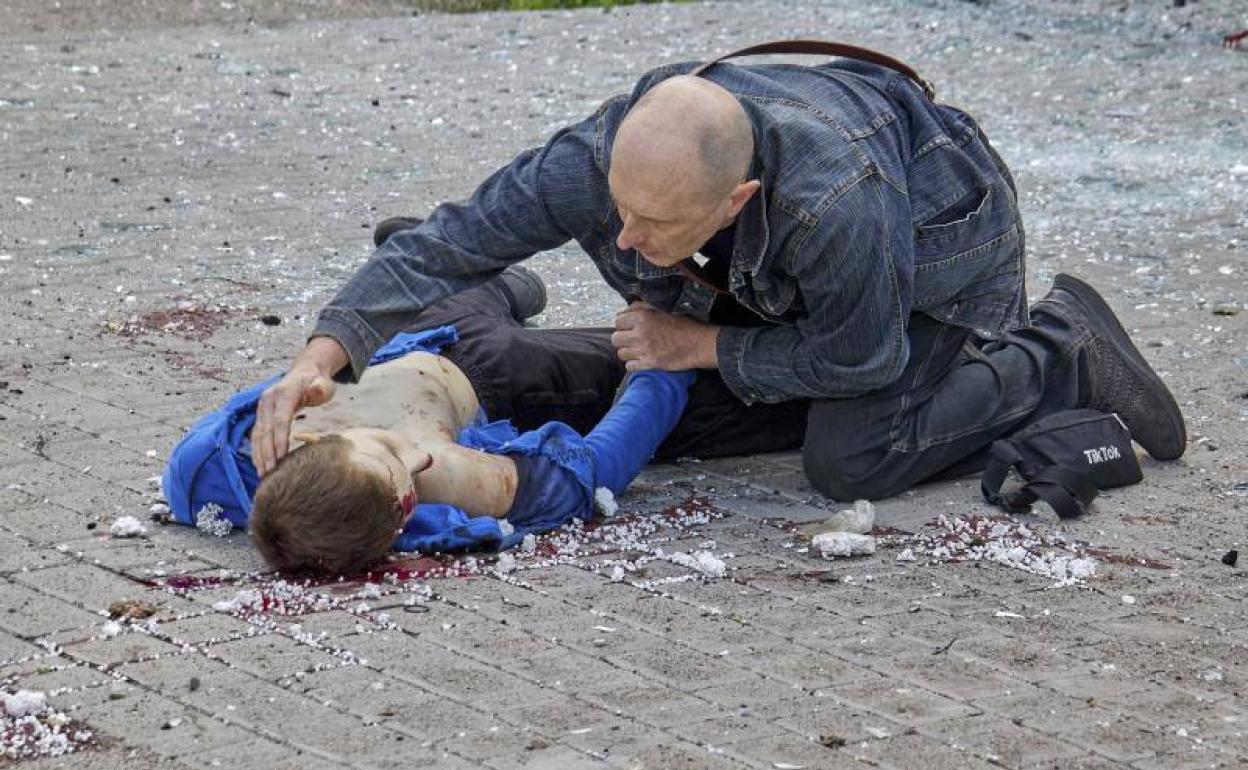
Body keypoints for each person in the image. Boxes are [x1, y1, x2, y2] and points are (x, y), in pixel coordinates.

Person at [251, 50, 1186, 500]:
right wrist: (319, 356)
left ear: (736, 200)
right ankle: (728, 354)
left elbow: (862, 356)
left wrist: (698, 345)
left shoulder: (835, 202)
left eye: (655, 225)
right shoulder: (604, 161)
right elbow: (448, 240)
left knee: (851, 460)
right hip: (774, 284)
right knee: (663, 410)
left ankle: (1058, 347)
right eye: (619, 211)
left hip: (930, 273)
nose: (625, 239)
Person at [163, 269, 694, 574]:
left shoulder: (211, 470)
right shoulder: (443, 478)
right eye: (410, 486)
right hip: (507, 376)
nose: (416, 458)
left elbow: (190, 469)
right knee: (663, 358)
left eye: (387, 449)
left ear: (308, 438)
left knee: (499, 282)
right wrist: (667, 361)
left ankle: (492, 284)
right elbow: (594, 471)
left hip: (417, 333)